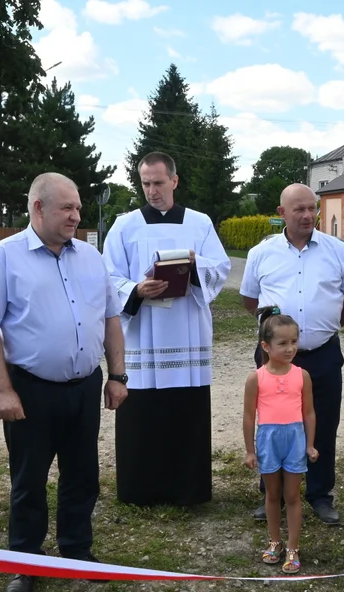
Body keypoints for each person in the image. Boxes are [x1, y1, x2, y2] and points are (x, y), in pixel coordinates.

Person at [0, 172, 128, 592]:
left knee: (82, 474)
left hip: (84, 386)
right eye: (66, 208)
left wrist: (117, 375)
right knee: (28, 480)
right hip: (30, 389)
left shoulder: (92, 258)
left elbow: (111, 317)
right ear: (38, 208)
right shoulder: (3, 257)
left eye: (77, 207)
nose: (76, 215)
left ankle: (77, 552)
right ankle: (26, 561)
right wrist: (1, 390)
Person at [103, 152, 230, 507]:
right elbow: (107, 276)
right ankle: (140, 490)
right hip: (143, 333)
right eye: (145, 184)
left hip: (186, 330)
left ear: (174, 181)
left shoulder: (200, 223)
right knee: (143, 415)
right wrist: (135, 290)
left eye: (158, 183)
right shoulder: (125, 225)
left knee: (185, 413)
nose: (152, 191)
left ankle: (187, 491)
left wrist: (194, 266)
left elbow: (219, 269)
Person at [240, 183, 344, 525]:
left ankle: (320, 494)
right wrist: (275, 337)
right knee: (274, 426)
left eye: (313, 208)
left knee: (322, 425)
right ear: (281, 213)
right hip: (274, 362)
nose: (308, 215)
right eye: (299, 209)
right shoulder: (261, 253)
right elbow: (250, 300)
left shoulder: (337, 251)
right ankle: (272, 495)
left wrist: (325, 327)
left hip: (322, 355)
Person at [243, 307, 318, 575]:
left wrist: (309, 444)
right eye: (283, 343)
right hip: (268, 440)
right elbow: (249, 417)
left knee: (293, 496)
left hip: (294, 439)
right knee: (272, 495)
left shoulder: (302, 375)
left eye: (294, 342)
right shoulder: (256, 378)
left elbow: (308, 412)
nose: (290, 349)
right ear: (266, 345)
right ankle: (275, 541)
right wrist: (250, 451)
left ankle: (293, 547)